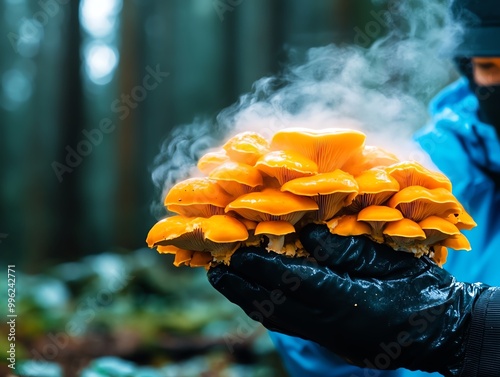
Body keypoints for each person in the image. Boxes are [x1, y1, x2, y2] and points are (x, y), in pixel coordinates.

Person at [207, 0, 500, 376]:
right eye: (491, 66)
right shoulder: (414, 174)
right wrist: (319, 328)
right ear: (467, 68)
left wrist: (462, 328)